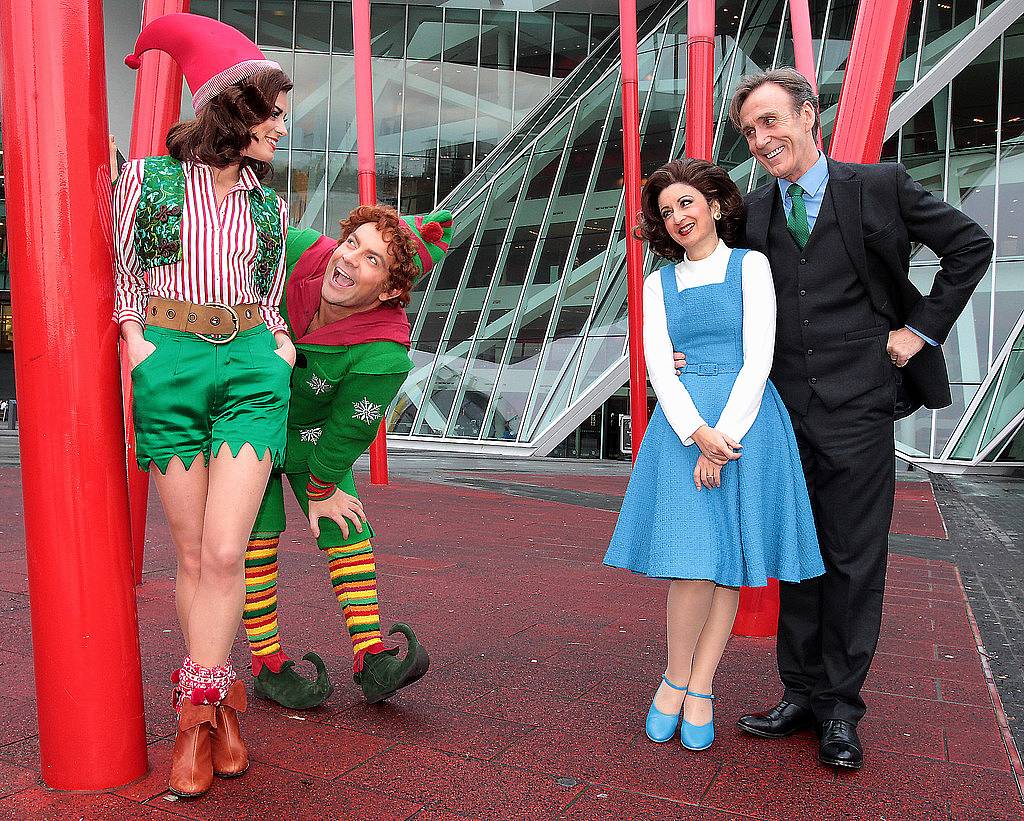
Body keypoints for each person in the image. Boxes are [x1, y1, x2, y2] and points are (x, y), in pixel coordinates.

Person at [674, 67, 992, 770]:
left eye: (771, 122)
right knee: (798, 555)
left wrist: (921, 332)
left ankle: (841, 710)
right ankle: (801, 693)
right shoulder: (752, 211)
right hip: (782, 412)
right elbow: (709, 274)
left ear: (809, 116)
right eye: (749, 131)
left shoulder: (877, 186)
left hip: (860, 403)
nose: (761, 139)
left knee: (853, 558)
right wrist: (687, 345)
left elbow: (971, 246)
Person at [115, 14, 295, 798]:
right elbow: (124, 278)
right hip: (170, 359)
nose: (284, 128)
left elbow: (274, 292)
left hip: (253, 364)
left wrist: (282, 345)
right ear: (235, 110)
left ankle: (193, 714)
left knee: (226, 553)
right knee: (192, 557)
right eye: (275, 112)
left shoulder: (269, 206)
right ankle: (222, 712)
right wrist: (137, 345)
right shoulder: (147, 182)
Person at [604, 159, 824, 752]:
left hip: (747, 423)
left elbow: (759, 359)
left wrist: (722, 438)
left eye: (687, 203)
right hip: (682, 431)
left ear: (717, 206)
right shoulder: (657, 282)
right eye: (667, 209)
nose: (677, 217)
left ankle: (699, 685)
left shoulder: (751, 267)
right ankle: (675, 678)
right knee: (692, 562)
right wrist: (695, 434)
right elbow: (656, 363)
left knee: (728, 559)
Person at [240, 206, 451, 710]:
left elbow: (349, 430)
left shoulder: (383, 353)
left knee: (345, 522)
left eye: (371, 258)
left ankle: (369, 654)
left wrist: (321, 489)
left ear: (388, 292)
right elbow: (233, 220)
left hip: (314, 436)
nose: (350, 257)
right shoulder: (299, 251)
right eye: (353, 242)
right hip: (245, 421)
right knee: (256, 531)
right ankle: (266, 659)